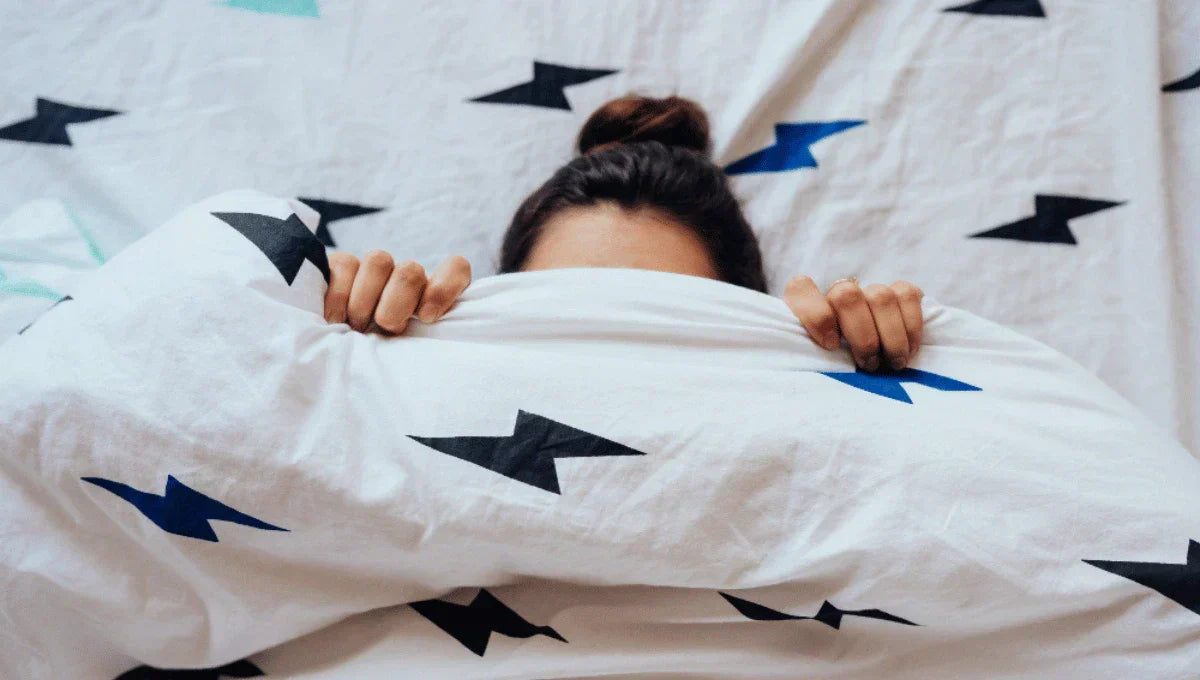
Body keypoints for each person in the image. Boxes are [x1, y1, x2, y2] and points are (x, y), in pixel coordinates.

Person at [321, 95, 924, 373]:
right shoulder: (409, 374)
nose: (607, 343)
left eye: (661, 315)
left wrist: (865, 362)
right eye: (563, 309)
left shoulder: (817, 392)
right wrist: (339, 328)